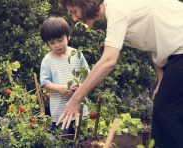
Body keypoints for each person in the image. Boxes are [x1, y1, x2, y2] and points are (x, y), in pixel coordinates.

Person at [57, 0, 183, 147]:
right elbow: (151, 42)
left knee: (165, 112)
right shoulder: (116, 11)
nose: (74, 18)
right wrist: (161, 77)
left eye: (73, 12)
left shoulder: (117, 9)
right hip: (176, 54)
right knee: (168, 112)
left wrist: (75, 99)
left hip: (180, 49)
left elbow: (108, 61)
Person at [39, 16, 90, 135]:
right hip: (60, 110)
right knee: (63, 139)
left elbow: (87, 75)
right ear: (47, 44)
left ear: (68, 36)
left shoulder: (77, 54)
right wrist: (60, 88)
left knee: (83, 139)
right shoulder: (47, 60)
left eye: (60, 40)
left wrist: (81, 87)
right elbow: (44, 82)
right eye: (52, 43)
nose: (57, 45)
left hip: (79, 107)